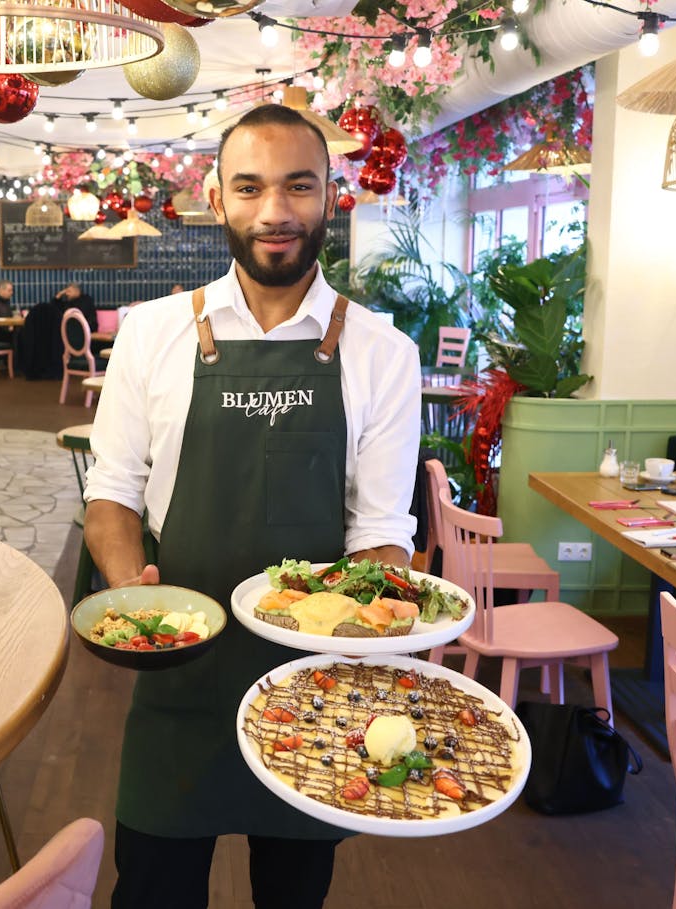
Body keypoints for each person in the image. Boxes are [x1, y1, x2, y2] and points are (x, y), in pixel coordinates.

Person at [82, 103, 422, 909]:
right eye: (251, 187)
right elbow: (111, 497)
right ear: (216, 197)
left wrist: (371, 615)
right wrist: (141, 601)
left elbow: (381, 536)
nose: (275, 211)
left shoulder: (382, 352)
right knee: (152, 893)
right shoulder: (151, 333)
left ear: (331, 195)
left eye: (299, 186)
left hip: (313, 683)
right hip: (180, 677)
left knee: (294, 896)